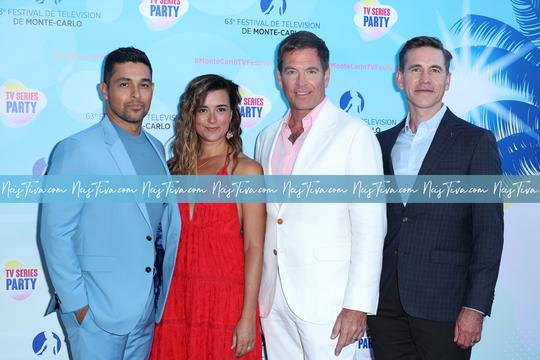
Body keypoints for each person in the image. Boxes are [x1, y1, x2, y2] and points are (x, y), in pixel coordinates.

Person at [367, 36, 504, 360]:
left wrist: (475, 306)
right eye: (415, 69)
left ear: (448, 80)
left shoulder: (476, 142)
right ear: (400, 79)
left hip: (447, 306)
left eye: (434, 70)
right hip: (385, 304)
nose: (425, 79)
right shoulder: (379, 144)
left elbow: (489, 233)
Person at [40, 47, 181, 359]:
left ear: (152, 90)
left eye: (143, 85)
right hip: (96, 312)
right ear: (104, 90)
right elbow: (55, 233)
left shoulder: (157, 148)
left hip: (145, 310)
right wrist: (78, 306)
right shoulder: (76, 149)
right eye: (124, 84)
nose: (135, 94)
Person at [254, 31, 386, 359]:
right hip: (273, 297)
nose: (301, 82)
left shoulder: (354, 134)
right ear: (278, 77)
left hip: (328, 301)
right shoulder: (266, 137)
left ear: (327, 75)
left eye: (311, 71)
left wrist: (358, 305)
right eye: (291, 71)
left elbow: (371, 225)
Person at [150, 74, 265, 359]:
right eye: (203, 110)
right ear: (191, 115)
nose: (212, 119)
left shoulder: (245, 170)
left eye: (221, 109)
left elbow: (254, 247)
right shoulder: (172, 170)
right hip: (176, 298)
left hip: (225, 301)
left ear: (233, 116)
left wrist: (248, 316)